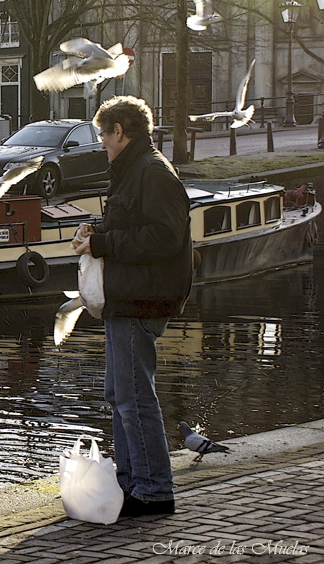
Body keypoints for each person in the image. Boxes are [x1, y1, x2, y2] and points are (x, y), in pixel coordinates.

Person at [73, 95, 193, 518]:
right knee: (119, 393)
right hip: (127, 295)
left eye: (103, 134)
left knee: (134, 396)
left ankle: (153, 491)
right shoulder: (134, 169)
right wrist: (99, 231)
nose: (101, 142)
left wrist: (103, 242)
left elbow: (164, 237)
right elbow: (136, 226)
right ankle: (130, 483)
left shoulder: (153, 172)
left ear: (119, 132)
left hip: (139, 297)